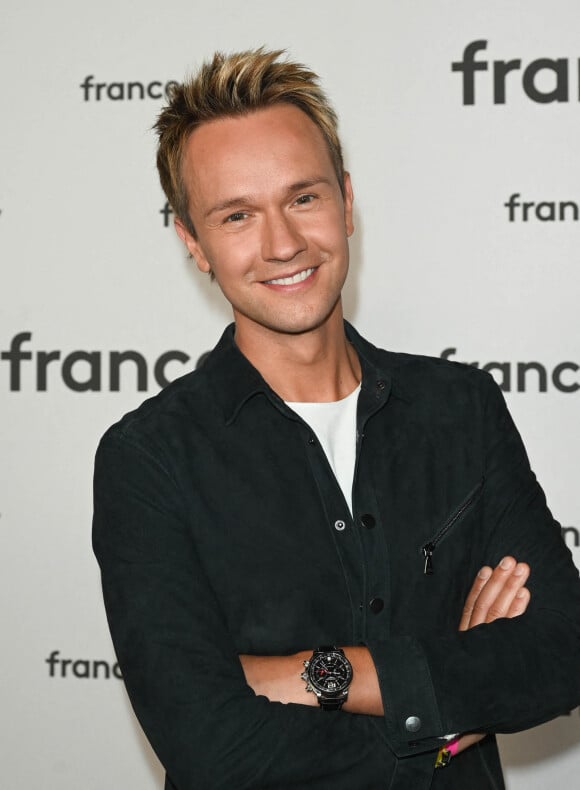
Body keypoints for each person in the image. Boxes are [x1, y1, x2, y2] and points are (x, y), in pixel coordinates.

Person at [92, 49, 580, 789]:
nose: (283, 243)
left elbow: (561, 651)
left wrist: (318, 674)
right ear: (194, 243)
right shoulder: (150, 458)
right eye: (237, 216)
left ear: (347, 202)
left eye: (304, 198)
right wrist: (450, 706)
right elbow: (211, 745)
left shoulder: (460, 410)